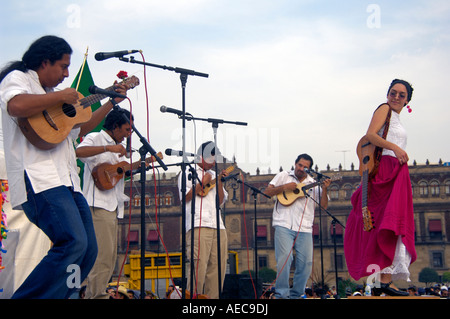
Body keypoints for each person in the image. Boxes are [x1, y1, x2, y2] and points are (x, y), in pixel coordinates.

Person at [0, 35, 127, 298]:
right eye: (63, 66)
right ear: (45, 62)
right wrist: (60, 96)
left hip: (67, 182)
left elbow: (81, 127)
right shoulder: (20, 79)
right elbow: (15, 105)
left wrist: (110, 103)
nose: (67, 74)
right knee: (72, 242)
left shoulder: (53, 100)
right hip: (38, 179)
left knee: (88, 250)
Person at [344, 79, 417, 296]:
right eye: (392, 93)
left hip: (397, 171)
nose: (395, 97)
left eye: (401, 95)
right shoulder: (384, 109)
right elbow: (370, 135)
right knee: (382, 224)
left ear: (407, 101)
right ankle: (378, 282)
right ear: (387, 94)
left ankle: (383, 282)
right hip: (385, 168)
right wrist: (395, 148)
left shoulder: (397, 118)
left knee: (394, 225)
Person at [75, 109, 133, 299]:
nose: (128, 133)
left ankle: (97, 293)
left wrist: (140, 166)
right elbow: (78, 151)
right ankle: (96, 295)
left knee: (109, 256)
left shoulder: (120, 149)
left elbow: (118, 174)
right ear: (115, 126)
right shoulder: (95, 137)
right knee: (102, 257)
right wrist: (108, 149)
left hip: (112, 206)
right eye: (126, 129)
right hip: (97, 205)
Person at [264, 154, 330, 299]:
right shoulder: (283, 175)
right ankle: (281, 294)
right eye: (299, 165)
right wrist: (284, 187)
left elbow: (323, 206)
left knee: (306, 263)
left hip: (305, 227)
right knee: (284, 261)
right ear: (295, 164)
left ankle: (297, 294)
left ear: (309, 169)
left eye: (305, 167)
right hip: (283, 224)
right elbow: (267, 192)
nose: (301, 168)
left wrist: (324, 189)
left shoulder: (313, 183)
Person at [177, 141, 229, 299]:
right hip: (198, 224)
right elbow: (184, 197)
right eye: (212, 159)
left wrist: (219, 181)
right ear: (202, 156)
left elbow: (220, 201)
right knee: (198, 267)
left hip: (218, 226)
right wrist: (203, 182)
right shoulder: (187, 172)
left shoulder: (214, 175)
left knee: (218, 268)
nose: (214, 163)